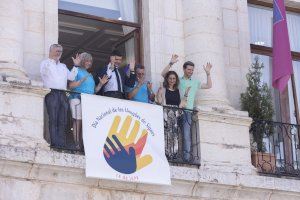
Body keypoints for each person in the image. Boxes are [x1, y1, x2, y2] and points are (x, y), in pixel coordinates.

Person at [161, 54, 212, 161]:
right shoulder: (178, 80)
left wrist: (208, 74)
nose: (191, 71)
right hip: (175, 110)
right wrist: (171, 63)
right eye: (189, 69)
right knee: (171, 132)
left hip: (187, 111)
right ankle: (171, 156)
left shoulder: (195, 82)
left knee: (186, 135)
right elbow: (164, 74)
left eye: (192, 70)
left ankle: (186, 158)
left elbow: (208, 86)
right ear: (184, 69)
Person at [68, 52, 108, 149]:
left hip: (89, 101)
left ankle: (85, 145)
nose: (89, 63)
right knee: (77, 121)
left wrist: (101, 84)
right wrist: (79, 82)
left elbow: (94, 90)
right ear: (82, 61)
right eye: (87, 60)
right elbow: (70, 85)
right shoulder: (76, 70)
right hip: (77, 98)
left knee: (86, 123)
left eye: (90, 61)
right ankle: (77, 144)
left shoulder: (89, 75)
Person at [40, 44, 76, 148]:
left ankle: (61, 144)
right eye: (56, 51)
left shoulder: (63, 66)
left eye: (60, 51)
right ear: (50, 52)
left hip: (63, 94)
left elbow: (72, 77)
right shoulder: (45, 63)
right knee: (53, 118)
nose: (58, 53)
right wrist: (50, 62)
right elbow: (43, 72)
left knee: (63, 120)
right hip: (52, 93)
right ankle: (54, 143)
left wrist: (76, 66)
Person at [156, 69, 190, 160]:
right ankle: (165, 155)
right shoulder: (163, 89)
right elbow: (159, 101)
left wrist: (186, 94)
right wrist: (159, 92)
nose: (172, 80)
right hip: (165, 113)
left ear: (176, 80)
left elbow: (181, 105)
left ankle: (174, 155)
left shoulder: (178, 91)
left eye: (174, 78)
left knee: (174, 135)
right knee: (165, 133)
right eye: (170, 78)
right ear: (167, 79)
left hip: (175, 114)